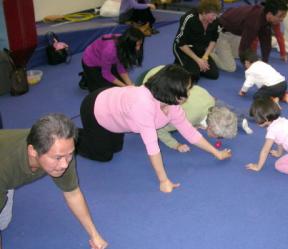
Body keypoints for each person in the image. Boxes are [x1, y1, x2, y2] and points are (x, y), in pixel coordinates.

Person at [77, 64, 232, 193]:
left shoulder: (172, 104)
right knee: (104, 155)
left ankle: (94, 135)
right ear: (173, 92)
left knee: (117, 148)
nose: (189, 93)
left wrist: (216, 153)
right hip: (95, 110)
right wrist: (163, 180)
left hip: (113, 109)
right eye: (187, 89)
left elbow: (189, 132)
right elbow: (152, 147)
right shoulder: (143, 106)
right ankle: (74, 135)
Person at [0, 114, 108, 249]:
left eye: (70, 155)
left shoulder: (62, 150)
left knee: (4, 222)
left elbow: (72, 193)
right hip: (3, 170)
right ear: (33, 152)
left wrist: (94, 234)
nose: (65, 164)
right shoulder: (5, 167)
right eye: (58, 158)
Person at [138, 65, 252, 151]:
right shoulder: (187, 117)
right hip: (149, 80)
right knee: (170, 127)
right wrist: (176, 145)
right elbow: (158, 129)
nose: (218, 139)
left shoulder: (210, 100)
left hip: (168, 70)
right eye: (219, 137)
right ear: (210, 128)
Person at [210, 0, 288, 73]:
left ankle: (219, 49)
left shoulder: (266, 17)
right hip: (221, 32)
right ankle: (209, 52)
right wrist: (249, 66)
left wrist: (265, 63)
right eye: (280, 16)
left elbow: (266, 42)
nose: (282, 19)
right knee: (230, 67)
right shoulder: (254, 20)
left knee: (238, 55)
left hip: (235, 33)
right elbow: (244, 46)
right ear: (270, 14)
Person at [80, 26, 144, 92]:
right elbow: (106, 74)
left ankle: (90, 75)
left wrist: (130, 85)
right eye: (137, 45)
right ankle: (87, 77)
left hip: (106, 59)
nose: (138, 48)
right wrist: (125, 87)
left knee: (117, 84)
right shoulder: (110, 50)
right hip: (91, 62)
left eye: (140, 44)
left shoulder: (124, 42)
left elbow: (121, 67)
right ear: (129, 44)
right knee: (103, 91)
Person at [172, 0, 221, 83]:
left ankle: (193, 67)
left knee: (214, 75)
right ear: (204, 12)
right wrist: (198, 61)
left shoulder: (215, 21)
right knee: (194, 77)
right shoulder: (189, 18)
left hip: (200, 49)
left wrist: (205, 57)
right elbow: (181, 43)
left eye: (216, 15)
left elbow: (213, 40)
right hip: (184, 49)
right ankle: (179, 64)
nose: (215, 18)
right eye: (213, 15)